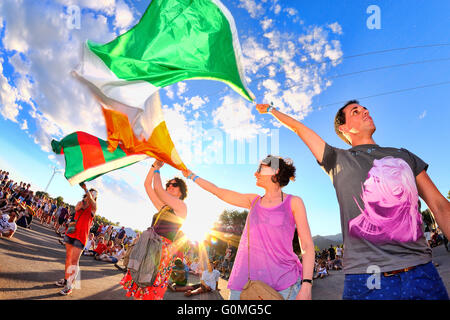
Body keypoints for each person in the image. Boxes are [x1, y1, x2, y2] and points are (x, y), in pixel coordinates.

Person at [256, 100, 450, 300]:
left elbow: (441, 206)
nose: (365, 111)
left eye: (365, 108)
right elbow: (300, 129)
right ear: (344, 128)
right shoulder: (337, 160)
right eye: (355, 112)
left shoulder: (404, 156)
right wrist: (272, 110)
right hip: (367, 281)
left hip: (423, 275)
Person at [182, 155, 315, 300]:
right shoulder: (254, 201)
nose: (255, 173)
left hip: (285, 284)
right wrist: (191, 176)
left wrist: (307, 284)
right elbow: (218, 191)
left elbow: (307, 245)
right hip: (245, 282)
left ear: (275, 170)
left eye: (260, 168)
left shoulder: (294, 202)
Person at [120, 160, 188, 300]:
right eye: (168, 184)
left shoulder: (181, 207)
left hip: (162, 251)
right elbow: (147, 185)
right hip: (149, 247)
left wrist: (158, 168)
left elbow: (157, 188)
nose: (170, 186)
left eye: (174, 185)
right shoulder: (164, 207)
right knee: (140, 283)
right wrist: (153, 167)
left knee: (151, 288)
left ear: (181, 191)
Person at [55, 182, 97, 296]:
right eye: (91, 193)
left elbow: (93, 203)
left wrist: (86, 190)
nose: (92, 195)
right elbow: (79, 207)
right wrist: (85, 198)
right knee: (68, 258)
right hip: (72, 232)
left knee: (74, 261)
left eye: (94, 195)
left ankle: (70, 286)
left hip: (81, 236)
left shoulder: (94, 208)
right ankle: (66, 279)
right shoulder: (81, 203)